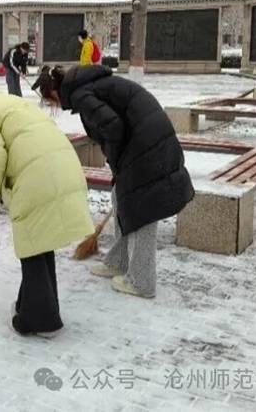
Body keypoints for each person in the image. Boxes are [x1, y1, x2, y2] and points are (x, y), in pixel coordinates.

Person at [0, 83, 94, 338]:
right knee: (39, 242)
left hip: (37, 176)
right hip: (62, 167)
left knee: (31, 245)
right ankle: (32, 304)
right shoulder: (8, 103)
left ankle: (41, 320)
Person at [40, 65, 194, 299]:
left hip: (146, 148)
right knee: (120, 198)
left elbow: (112, 126)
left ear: (54, 93)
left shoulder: (82, 94)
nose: (54, 107)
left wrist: (116, 159)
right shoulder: (88, 87)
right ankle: (118, 261)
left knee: (141, 210)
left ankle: (142, 281)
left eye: (50, 102)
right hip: (146, 142)